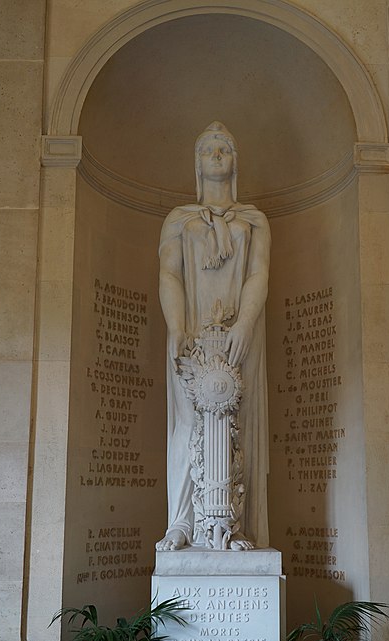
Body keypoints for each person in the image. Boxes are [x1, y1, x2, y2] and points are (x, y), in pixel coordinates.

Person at [156, 122, 270, 551]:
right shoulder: (179, 220)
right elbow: (169, 273)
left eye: (224, 148)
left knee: (237, 422)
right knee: (187, 425)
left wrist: (244, 324)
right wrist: (176, 326)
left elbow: (259, 274)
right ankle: (182, 524)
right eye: (209, 150)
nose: (217, 155)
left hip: (239, 335)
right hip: (191, 335)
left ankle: (234, 528)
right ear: (198, 163)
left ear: (235, 162)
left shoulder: (254, 220)